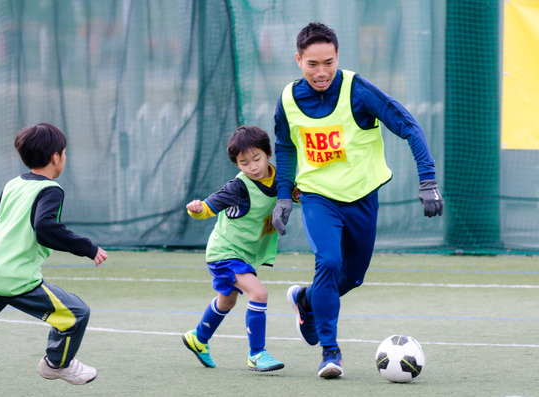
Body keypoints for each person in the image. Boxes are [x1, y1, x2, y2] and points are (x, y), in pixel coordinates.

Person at [272, 22, 444, 379]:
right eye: (312, 64)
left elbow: (409, 126)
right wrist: (284, 195)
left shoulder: (358, 91)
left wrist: (427, 180)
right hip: (319, 197)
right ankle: (329, 353)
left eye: (329, 62)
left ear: (338, 58)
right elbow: (286, 146)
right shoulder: (288, 99)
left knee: (352, 276)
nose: (321, 72)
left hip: (362, 197)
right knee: (329, 262)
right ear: (298, 60)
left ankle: (305, 300)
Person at [0, 122, 108, 385]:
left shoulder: (13, 184)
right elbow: (45, 228)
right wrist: (88, 247)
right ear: (55, 157)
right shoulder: (50, 190)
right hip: (16, 279)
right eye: (65, 153)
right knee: (76, 314)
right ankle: (55, 364)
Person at [182, 126, 285, 372]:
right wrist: (196, 209)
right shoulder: (238, 187)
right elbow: (209, 206)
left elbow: (298, 194)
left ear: (269, 153)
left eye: (256, 159)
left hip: (244, 254)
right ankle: (257, 354)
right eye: (244, 163)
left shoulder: (281, 179)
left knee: (227, 301)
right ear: (237, 165)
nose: (252, 167)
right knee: (258, 294)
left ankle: (198, 338)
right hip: (225, 253)